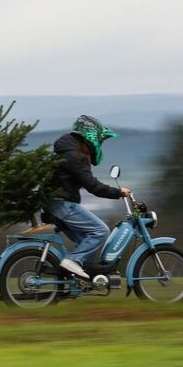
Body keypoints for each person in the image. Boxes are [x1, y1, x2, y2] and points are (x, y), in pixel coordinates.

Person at [46, 115, 131, 280]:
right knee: (100, 231)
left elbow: (83, 181)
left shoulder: (68, 152)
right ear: (90, 137)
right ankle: (73, 261)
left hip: (56, 204)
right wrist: (119, 192)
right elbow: (93, 186)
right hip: (63, 204)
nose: (99, 146)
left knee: (87, 239)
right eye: (100, 141)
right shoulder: (76, 157)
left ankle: (82, 276)